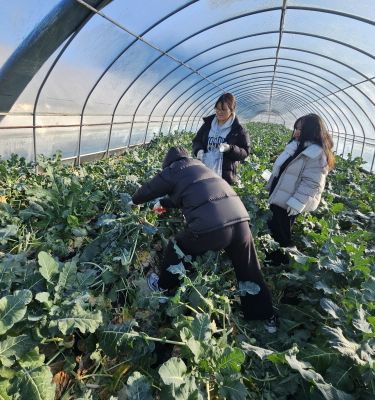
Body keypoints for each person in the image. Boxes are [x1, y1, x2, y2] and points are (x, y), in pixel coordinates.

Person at [130, 146, 276, 332]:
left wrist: (133, 201)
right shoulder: (201, 168)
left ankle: (162, 287)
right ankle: (267, 316)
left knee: (177, 245)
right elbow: (194, 194)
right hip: (240, 221)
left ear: (169, 164)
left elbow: (149, 189)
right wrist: (163, 203)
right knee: (249, 268)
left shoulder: (174, 170)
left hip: (213, 227)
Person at [265, 114, 335, 265]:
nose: (296, 132)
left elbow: (311, 183)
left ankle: (279, 263)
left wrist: (297, 202)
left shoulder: (316, 154)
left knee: (281, 233)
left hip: (290, 201)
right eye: (296, 128)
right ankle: (271, 257)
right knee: (275, 228)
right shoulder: (297, 147)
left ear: (312, 131)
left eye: (301, 129)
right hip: (281, 195)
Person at [192, 92, 250, 185]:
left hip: (225, 177)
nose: (219, 112)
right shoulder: (207, 125)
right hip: (204, 171)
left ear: (232, 110)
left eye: (223, 109)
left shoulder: (238, 130)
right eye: (217, 109)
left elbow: (245, 152)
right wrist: (199, 150)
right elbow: (197, 140)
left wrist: (230, 149)